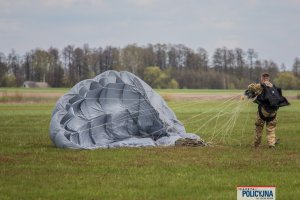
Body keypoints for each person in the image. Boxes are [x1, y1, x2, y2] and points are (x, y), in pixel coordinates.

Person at [244, 73, 290, 148]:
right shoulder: (273, 87)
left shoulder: (260, 86)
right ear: (269, 79)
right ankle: (271, 144)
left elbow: (250, 87)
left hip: (263, 111)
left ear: (262, 78)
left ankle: (256, 144)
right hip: (273, 111)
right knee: (271, 128)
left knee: (259, 126)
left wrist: (252, 89)